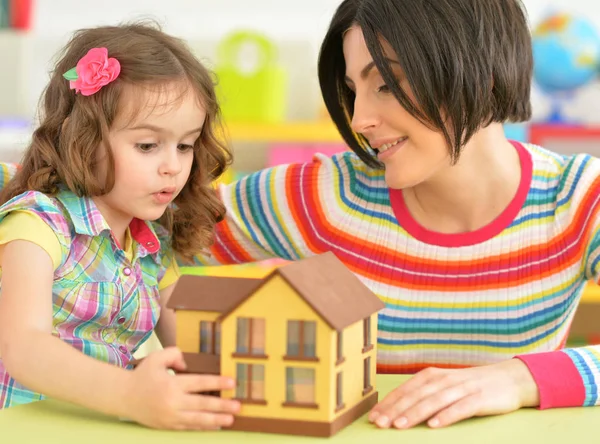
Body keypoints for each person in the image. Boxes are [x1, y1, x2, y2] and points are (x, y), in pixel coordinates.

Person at [195, 0, 600, 430]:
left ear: (482, 73)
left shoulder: (577, 197)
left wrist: (518, 379)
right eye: (353, 90)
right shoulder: (325, 196)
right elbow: (144, 237)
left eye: (386, 83)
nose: (360, 119)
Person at [0, 22, 242, 430]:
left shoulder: (153, 245)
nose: (173, 166)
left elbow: (193, 349)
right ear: (81, 138)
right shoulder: (38, 224)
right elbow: (23, 348)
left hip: (102, 429)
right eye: (147, 146)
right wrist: (130, 394)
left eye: (185, 145)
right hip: (24, 429)